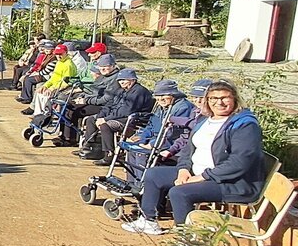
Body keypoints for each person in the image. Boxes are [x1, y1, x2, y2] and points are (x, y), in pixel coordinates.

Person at [123, 80, 264, 234]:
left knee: (180, 192)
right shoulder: (204, 120)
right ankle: (148, 221)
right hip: (199, 173)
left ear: (235, 99)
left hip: (233, 182)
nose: (219, 103)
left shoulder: (245, 125)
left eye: (225, 98)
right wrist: (183, 169)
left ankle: (187, 241)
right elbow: (188, 150)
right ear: (208, 101)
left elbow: (239, 162)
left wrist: (203, 176)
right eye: (213, 98)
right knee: (154, 174)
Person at [83, 68, 155, 165]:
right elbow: (110, 104)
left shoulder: (139, 92)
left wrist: (105, 119)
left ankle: (109, 155)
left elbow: (126, 111)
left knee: (106, 125)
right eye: (120, 80)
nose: (121, 82)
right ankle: (90, 148)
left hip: (134, 119)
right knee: (92, 119)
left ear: (133, 80)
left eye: (124, 80)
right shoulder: (121, 90)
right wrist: (101, 116)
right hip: (118, 115)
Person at [56, 54, 120, 147]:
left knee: (73, 110)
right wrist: (82, 97)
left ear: (113, 66)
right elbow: (93, 91)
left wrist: (86, 101)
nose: (102, 69)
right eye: (101, 67)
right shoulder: (104, 76)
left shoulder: (115, 79)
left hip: (106, 107)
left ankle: (70, 139)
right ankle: (66, 136)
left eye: (106, 67)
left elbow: (106, 98)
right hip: (95, 101)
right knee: (67, 106)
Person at [159, 79, 214, 163]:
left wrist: (172, 118)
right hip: (188, 151)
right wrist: (171, 150)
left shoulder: (213, 115)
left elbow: (195, 124)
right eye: (195, 97)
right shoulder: (195, 111)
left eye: (202, 97)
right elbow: (186, 135)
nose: (198, 101)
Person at [24, 43, 77, 116]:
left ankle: (46, 116)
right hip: (56, 86)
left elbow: (66, 83)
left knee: (45, 95)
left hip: (64, 88)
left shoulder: (68, 64)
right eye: (57, 54)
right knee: (39, 92)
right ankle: (38, 116)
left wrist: (51, 89)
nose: (58, 56)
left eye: (60, 54)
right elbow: (54, 78)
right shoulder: (59, 62)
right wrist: (45, 86)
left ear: (66, 52)